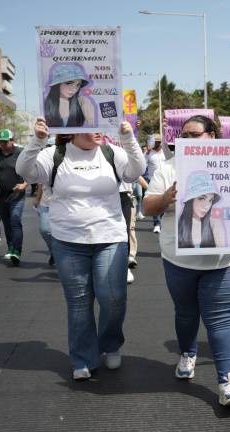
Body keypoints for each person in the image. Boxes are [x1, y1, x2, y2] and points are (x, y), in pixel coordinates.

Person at [17, 118, 145, 381]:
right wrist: (38, 139)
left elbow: (135, 171)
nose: (97, 131)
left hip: (109, 237)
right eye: (90, 126)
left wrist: (129, 137)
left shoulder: (112, 153)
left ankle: (110, 344)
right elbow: (26, 172)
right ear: (72, 130)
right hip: (68, 241)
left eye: (100, 125)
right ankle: (83, 357)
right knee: (78, 302)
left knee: (112, 298)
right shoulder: (54, 155)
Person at [144, 115, 230, 407]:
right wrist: (167, 197)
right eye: (183, 135)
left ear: (212, 136)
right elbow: (148, 206)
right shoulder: (168, 167)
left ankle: (228, 382)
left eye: (193, 134)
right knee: (186, 314)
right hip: (179, 261)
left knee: (221, 320)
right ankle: (188, 352)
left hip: (223, 261)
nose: (185, 140)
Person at [0, 129, 27, 266]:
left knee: (15, 219)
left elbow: (32, 171)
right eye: (0, 142)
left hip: (17, 194)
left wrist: (24, 184)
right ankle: (11, 248)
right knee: (7, 223)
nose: (2, 144)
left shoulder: (21, 153)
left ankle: (17, 251)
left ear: (12, 141)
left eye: (5, 142)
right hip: (0, 195)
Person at [177, 172, 225, 248]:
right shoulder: (179, 222)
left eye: (210, 200)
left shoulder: (213, 221)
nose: (206, 206)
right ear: (191, 200)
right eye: (202, 198)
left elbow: (222, 249)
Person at [43, 62, 96, 128]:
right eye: (69, 83)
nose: (74, 89)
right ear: (58, 84)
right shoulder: (45, 103)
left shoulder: (81, 101)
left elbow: (93, 126)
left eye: (78, 85)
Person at [144, 135, 165, 233]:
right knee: (154, 203)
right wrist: (146, 153)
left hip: (165, 181)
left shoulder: (166, 152)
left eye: (157, 142)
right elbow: (143, 165)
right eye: (154, 142)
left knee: (164, 203)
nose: (156, 143)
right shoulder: (149, 153)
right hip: (152, 181)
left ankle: (163, 222)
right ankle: (156, 223)